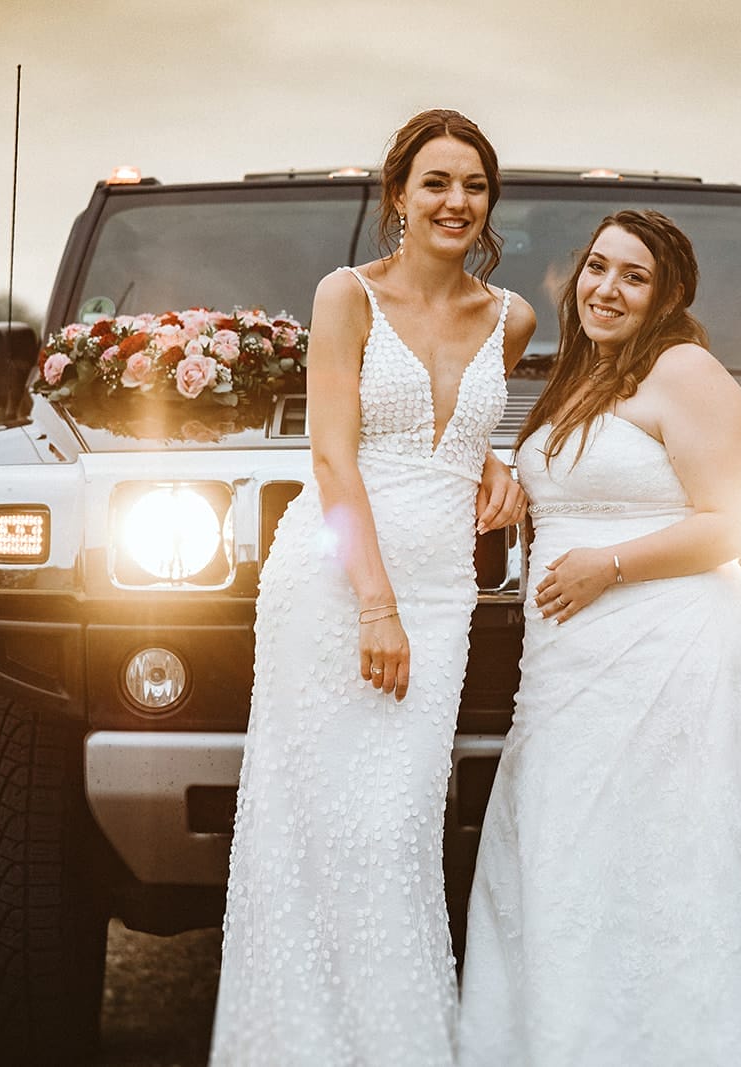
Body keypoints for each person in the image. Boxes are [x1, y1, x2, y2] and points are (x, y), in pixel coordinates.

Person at [457, 210, 741, 1065]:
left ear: (668, 294)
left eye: (633, 277)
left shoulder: (687, 371)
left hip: (671, 656)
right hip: (569, 670)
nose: (606, 288)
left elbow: (735, 524)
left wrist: (611, 565)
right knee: (572, 858)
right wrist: (517, 486)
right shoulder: (584, 375)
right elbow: (579, 482)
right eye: (597, 268)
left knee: (664, 866)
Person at [210, 109, 536, 1066]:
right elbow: (331, 457)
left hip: (441, 595)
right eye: (436, 182)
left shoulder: (510, 317)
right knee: (310, 833)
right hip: (335, 585)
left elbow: (465, 435)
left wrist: (500, 464)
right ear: (399, 193)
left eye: (473, 185)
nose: (456, 201)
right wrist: (374, 605)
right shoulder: (345, 295)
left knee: (394, 831)